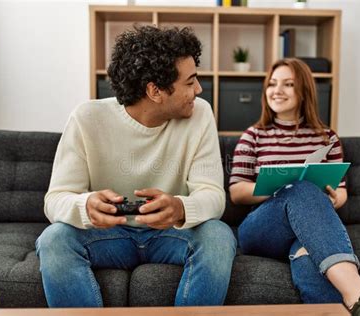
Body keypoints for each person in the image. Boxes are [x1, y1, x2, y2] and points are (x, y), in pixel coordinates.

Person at [36, 25, 237, 307]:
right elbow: (55, 199)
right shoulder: (86, 118)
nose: (199, 89)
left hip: (171, 234)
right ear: (155, 91)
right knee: (54, 240)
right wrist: (86, 206)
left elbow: (213, 195)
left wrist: (180, 208)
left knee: (218, 235)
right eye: (190, 82)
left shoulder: (200, 114)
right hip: (108, 235)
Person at [229, 58, 360, 315]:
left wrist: (331, 200)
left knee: (308, 252)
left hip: (309, 227)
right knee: (300, 189)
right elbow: (237, 192)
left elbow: (341, 192)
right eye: (272, 84)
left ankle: (355, 309)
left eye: (288, 84)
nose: (277, 91)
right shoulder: (253, 135)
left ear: (304, 91)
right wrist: (284, 185)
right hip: (261, 230)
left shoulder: (327, 137)